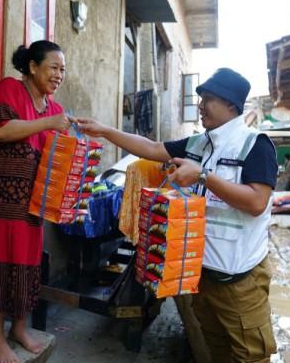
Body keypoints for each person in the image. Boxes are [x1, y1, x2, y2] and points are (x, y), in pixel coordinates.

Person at [77, 68, 278, 362]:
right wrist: (105, 131)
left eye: (208, 99)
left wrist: (204, 176)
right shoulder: (198, 143)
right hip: (200, 273)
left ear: (231, 104)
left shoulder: (255, 145)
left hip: (239, 279)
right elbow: (151, 147)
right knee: (216, 347)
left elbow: (257, 202)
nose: (200, 106)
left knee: (251, 354)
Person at [0, 41, 71, 363]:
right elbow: (0, 131)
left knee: (26, 263)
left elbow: (58, 157)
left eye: (62, 69)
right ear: (33, 67)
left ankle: (19, 328)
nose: (59, 75)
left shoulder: (54, 109)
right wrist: (49, 124)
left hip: (31, 201)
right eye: (53, 67)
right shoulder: (9, 88)